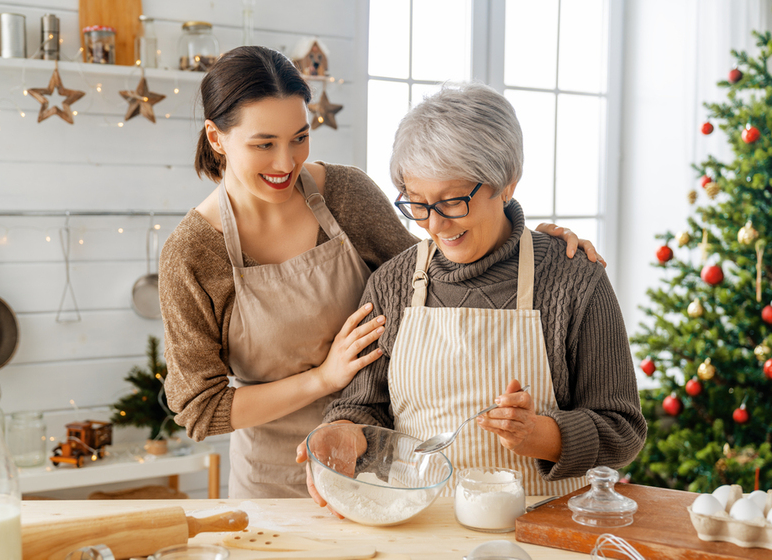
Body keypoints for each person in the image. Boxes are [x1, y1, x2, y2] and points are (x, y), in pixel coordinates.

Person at [159, 46, 604, 499]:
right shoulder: (193, 254)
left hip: (379, 470)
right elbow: (201, 409)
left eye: (299, 137)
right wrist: (322, 379)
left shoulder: (346, 196)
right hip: (273, 480)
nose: (286, 163)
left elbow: (439, 270)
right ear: (216, 138)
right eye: (263, 145)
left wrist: (531, 241)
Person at [299, 82, 646, 504]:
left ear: (507, 183)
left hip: (540, 528)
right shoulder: (393, 282)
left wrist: (541, 436)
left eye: (452, 202)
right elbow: (363, 407)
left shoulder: (573, 280)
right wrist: (343, 433)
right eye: (418, 203)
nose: (435, 225)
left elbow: (623, 429)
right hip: (418, 526)